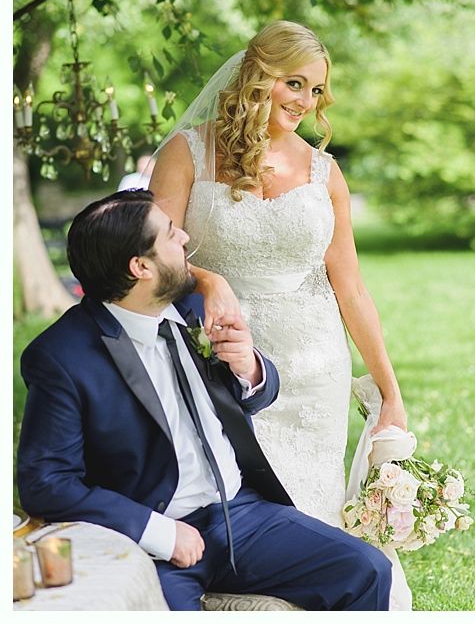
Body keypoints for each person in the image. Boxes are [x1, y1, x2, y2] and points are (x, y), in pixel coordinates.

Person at [17, 189, 392, 611]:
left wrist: (249, 367)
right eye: (171, 234)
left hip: (242, 513)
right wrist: (159, 533)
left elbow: (256, 396)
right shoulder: (62, 356)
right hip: (155, 538)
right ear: (140, 267)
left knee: (368, 570)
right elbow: (46, 483)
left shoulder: (194, 306)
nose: (184, 238)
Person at [148, 20, 410, 607]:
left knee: (311, 507)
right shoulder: (187, 152)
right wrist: (209, 279)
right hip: (222, 362)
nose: (305, 101)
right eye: (294, 83)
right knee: (236, 503)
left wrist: (388, 392)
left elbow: (352, 288)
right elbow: (152, 254)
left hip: (315, 369)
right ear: (256, 76)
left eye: (315, 90)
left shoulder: (324, 172)